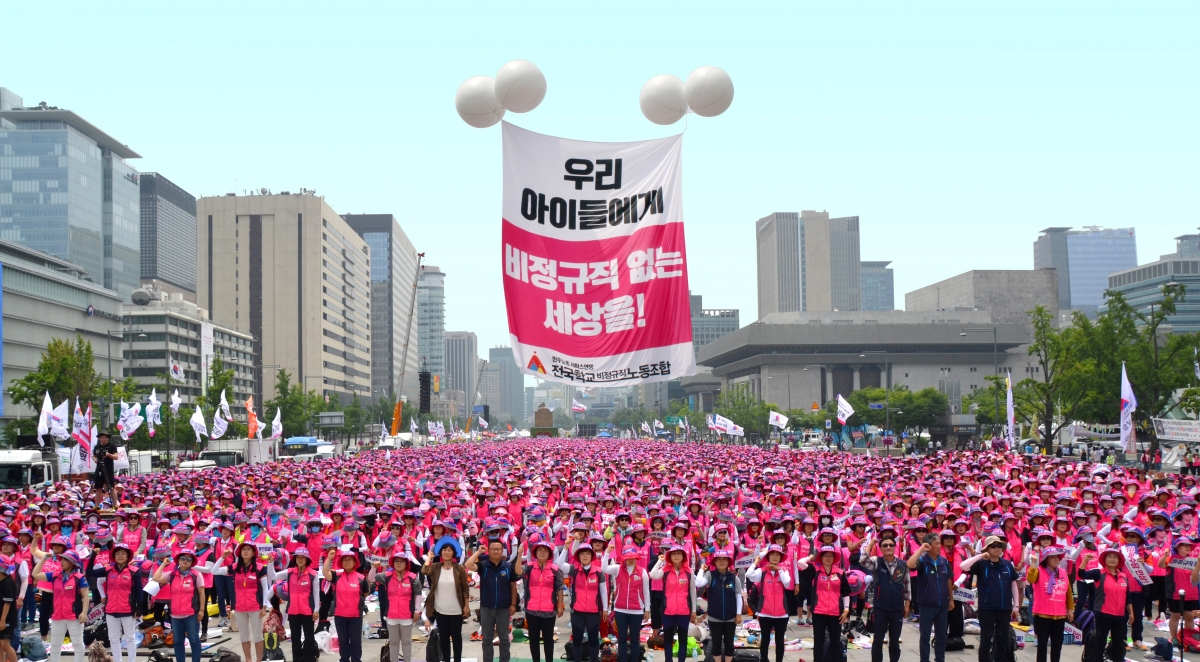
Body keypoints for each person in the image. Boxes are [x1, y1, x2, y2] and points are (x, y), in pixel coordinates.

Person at [960, 536, 1019, 662]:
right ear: (987, 548)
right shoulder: (981, 564)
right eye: (993, 546)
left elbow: (1014, 585)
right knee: (986, 638)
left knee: (1002, 638)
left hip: (1005, 607)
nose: (997, 548)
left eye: (999, 546)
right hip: (987, 608)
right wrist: (980, 556)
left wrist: (1016, 605)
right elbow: (963, 566)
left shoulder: (1007, 565)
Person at [212, 541, 273, 662]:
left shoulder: (260, 568)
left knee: (258, 636)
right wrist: (222, 557)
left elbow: (265, 588)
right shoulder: (234, 567)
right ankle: (248, 659)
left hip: (255, 606)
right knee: (244, 636)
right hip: (239, 606)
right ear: (240, 552)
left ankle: (258, 660)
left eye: (248, 549)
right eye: (243, 549)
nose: (245, 551)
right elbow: (214, 571)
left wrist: (264, 606)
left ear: (253, 553)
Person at [86, 542, 142, 662]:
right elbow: (89, 572)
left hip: (128, 610)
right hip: (111, 610)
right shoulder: (108, 570)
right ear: (114, 556)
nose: (120, 556)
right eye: (117, 554)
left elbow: (139, 591)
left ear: (128, 556)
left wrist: (139, 609)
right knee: (113, 638)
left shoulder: (135, 571)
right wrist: (93, 556)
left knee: (130, 637)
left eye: (123, 553)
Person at [648, 545, 704, 662]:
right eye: (674, 554)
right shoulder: (665, 570)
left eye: (679, 554)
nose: (676, 556)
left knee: (683, 639)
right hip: (667, 610)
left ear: (683, 556)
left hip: (684, 611)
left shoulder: (689, 572)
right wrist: (660, 561)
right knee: (668, 639)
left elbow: (693, 592)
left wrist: (694, 610)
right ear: (670, 556)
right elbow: (653, 575)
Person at [464, 539, 517, 662]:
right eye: (493, 549)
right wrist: (478, 552)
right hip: (486, 607)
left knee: (504, 638)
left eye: (498, 549)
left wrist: (513, 604)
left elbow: (513, 586)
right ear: (489, 550)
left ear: (502, 550)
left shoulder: (508, 566)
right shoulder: (483, 565)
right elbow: (468, 565)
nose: (495, 551)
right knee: (487, 638)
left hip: (504, 607)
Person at [31, 550, 88, 662]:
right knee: (55, 645)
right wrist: (44, 559)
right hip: (57, 616)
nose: (61, 561)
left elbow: (85, 596)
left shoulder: (80, 578)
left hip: (74, 616)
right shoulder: (55, 575)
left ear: (72, 562)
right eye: (61, 559)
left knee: (77, 644)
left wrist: (84, 612)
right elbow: (35, 574)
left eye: (65, 559)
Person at [1077, 549, 1132, 662]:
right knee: (1100, 643)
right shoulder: (1098, 573)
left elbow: (1128, 597)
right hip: (1103, 614)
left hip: (1120, 616)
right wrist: (1086, 560)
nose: (1112, 559)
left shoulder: (1123, 576)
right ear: (1104, 559)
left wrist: (1131, 613)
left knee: (1118, 644)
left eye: (1115, 557)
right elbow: (1081, 574)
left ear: (1119, 561)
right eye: (1109, 556)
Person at [861, 536, 909, 662]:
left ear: (895, 547)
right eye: (885, 545)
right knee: (878, 639)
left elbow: (907, 585)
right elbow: (863, 560)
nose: (888, 547)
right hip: (880, 607)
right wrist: (871, 544)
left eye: (891, 545)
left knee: (894, 640)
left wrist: (907, 605)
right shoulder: (876, 562)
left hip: (897, 607)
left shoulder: (902, 564)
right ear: (880, 548)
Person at [796, 545, 848, 662]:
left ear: (834, 558)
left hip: (836, 613)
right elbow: (800, 562)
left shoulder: (840, 573)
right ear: (821, 557)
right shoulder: (815, 571)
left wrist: (846, 610)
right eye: (825, 556)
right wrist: (810, 557)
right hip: (819, 612)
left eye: (831, 556)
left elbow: (846, 593)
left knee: (835, 642)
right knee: (818, 642)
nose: (828, 558)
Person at [151, 549, 204, 662]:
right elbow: (156, 578)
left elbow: (201, 593)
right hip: (175, 615)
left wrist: (202, 610)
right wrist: (164, 564)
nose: (185, 561)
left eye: (189, 559)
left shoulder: (196, 575)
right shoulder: (172, 574)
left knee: (194, 640)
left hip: (191, 614)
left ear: (192, 562)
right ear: (178, 560)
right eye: (183, 558)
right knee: (178, 642)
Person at [515, 540, 564, 662]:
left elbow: (559, 588)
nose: (542, 553)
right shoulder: (529, 567)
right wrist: (519, 556)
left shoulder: (555, 569)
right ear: (535, 553)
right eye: (540, 550)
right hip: (531, 610)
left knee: (548, 639)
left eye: (545, 551)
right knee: (534, 639)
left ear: (549, 554)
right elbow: (518, 571)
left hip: (549, 611)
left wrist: (560, 605)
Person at [321, 549, 373, 662]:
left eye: (350, 560)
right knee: (343, 641)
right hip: (340, 615)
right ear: (341, 562)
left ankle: (356, 660)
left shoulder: (361, 578)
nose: (347, 562)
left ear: (355, 562)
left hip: (355, 616)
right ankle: (344, 659)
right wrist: (329, 558)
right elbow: (325, 572)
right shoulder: (336, 575)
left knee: (355, 641)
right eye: (344, 560)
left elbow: (365, 593)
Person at [907, 534, 953, 662]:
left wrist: (951, 599)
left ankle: (940, 659)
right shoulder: (922, 561)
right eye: (935, 544)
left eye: (939, 544)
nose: (939, 546)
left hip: (942, 604)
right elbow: (910, 564)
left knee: (941, 636)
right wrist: (921, 550)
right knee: (925, 636)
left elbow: (948, 580)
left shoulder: (944, 562)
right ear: (928, 545)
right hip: (926, 604)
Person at [422, 541, 469, 662]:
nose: (446, 552)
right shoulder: (436, 567)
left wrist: (466, 605)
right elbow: (424, 571)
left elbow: (465, 588)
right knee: (444, 638)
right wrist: (429, 557)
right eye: (444, 550)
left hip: (456, 609)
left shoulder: (459, 568)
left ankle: (457, 660)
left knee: (457, 637)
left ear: (453, 553)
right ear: (440, 552)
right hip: (440, 609)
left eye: (449, 550)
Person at [603, 546, 650, 662]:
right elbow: (604, 568)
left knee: (635, 639)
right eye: (628, 558)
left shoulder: (642, 572)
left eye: (633, 557)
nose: (631, 560)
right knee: (622, 639)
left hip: (637, 611)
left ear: (636, 557)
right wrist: (607, 552)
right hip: (620, 610)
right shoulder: (617, 569)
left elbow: (646, 591)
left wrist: (647, 609)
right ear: (623, 558)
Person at [1026, 547, 1073, 662]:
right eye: (1052, 557)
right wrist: (1033, 563)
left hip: (1060, 615)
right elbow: (1030, 579)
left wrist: (1070, 609)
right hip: (1042, 615)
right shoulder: (1038, 571)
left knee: (1057, 645)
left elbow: (1068, 592)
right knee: (1042, 645)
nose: (1056, 559)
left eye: (1057, 557)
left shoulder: (1062, 572)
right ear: (1046, 560)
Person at [274, 547, 320, 662]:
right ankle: (297, 659)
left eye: (302, 557)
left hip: (307, 611)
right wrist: (270, 563)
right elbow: (274, 576)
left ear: (307, 559)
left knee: (309, 638)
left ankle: (309, 659)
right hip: (293, 611)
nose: (300, 559)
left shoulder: (313, 574)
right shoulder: (289, 572)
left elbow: (316, 593)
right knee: (295, 638)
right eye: (298, 557)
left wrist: (316, 610)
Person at [375, 553, 421, 662]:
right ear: (393, 563)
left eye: (402, 561)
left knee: (406, 642)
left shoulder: (413, 578)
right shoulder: (387, 576)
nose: (399, 563)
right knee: (393, 642)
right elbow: (372, 578)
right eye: (396, 561)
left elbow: (418, 594)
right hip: (391, 615)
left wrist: (417, 611)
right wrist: (373, 567)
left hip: (407, 615)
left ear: (406, 564)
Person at [567, 545, 608, 662]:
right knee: (577, 640)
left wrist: (605, 609)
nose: (585, 556)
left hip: (593, 612)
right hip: (577, 612)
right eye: (582, 553)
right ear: (578, 556)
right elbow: (559, 564)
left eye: (587, 553)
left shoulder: (598, 572)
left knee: (594, 640)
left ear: (592, 556)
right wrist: (565, 548)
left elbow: (603, 591)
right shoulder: (574, 570)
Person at [701, 550, 742, 662]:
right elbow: (698, 583)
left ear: (728, 562)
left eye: (724, 559)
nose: (721, 562)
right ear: (714, 562)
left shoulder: (734, 578)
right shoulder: (710, 575)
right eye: (719, 559)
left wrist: (738, 614)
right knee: (716, 642)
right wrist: (701, 570)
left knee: (729, 643)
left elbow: (738, 597)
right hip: (714, 617)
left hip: (731, 617)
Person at [0, 556, 19, 662]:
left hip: (7, 618)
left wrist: (2, 620)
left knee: (5, 645)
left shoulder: (8, 583)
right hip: (1, 617)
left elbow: (7, 603)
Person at [91, 432, 119, 497]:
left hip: (108, 469)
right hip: (99, 468)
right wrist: (95, 459)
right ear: (99, 438)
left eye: (105, 437)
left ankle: (115, 503)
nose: (104, 439)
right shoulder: (97, 447)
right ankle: (97, 503)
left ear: (108, 438)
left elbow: (116, 457)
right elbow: (94, 456)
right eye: (102, 437)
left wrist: (108, 454)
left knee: (111, 487)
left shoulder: (112, 446)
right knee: (98, 488)